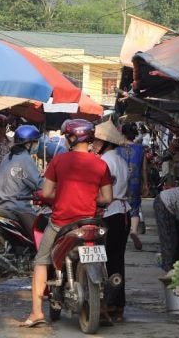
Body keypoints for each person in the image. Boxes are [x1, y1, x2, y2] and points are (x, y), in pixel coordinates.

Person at [21, 119, 113, 328]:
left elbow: (46, 193)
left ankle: (36, 312)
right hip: (89, 223)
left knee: (41, 261)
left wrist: (61, 195)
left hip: (61, 223)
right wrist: (89, 198)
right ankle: (103, 307)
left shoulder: (59, 161)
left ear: (73, 138)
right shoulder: (101, 164)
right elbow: (107, 198)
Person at [92, 119, 130, 324]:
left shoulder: (105, 162)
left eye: (97, 142)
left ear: (107, 143)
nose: (94, 145)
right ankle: (118, 305)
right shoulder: (120, 160)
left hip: (110, 213)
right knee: (117, 261)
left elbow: (100, 191)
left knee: (106, 262)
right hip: (121, 213)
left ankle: (110, 303)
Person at [117, 122, 149, 250]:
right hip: (135, 182)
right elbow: (144, 169)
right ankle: (134, 230)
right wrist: (146, 184)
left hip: (120, 181)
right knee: (135, 208)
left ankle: (121, 233)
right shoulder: (140, 149)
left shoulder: (117, 149)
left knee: (120, 206)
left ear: (122, 133)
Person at [0, 125, 43, 208]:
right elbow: (39, 184)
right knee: (39, 221)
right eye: (36, 142)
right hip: (18, 208)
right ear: (28, 144)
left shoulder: (7, 157)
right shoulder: (26, 159)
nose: (37, 145)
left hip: (1, 206)